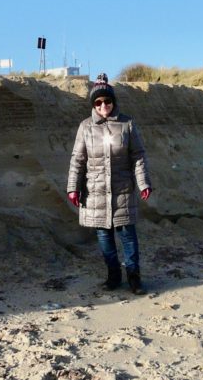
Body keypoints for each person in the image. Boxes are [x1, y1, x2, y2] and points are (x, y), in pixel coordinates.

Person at [66, 73, 153, 293]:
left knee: (127, 235)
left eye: (107, 101)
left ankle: (134, 277)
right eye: (98, 102)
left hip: (122, 188)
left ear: (113, 101)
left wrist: (143, 183)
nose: (103, 105)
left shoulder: (127, 124)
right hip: (95, 191)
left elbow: (138, 156)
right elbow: (77, 159)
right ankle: (113, 276)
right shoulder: (85, 127)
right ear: (93, 105)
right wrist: (73, 188)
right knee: (104, 236)